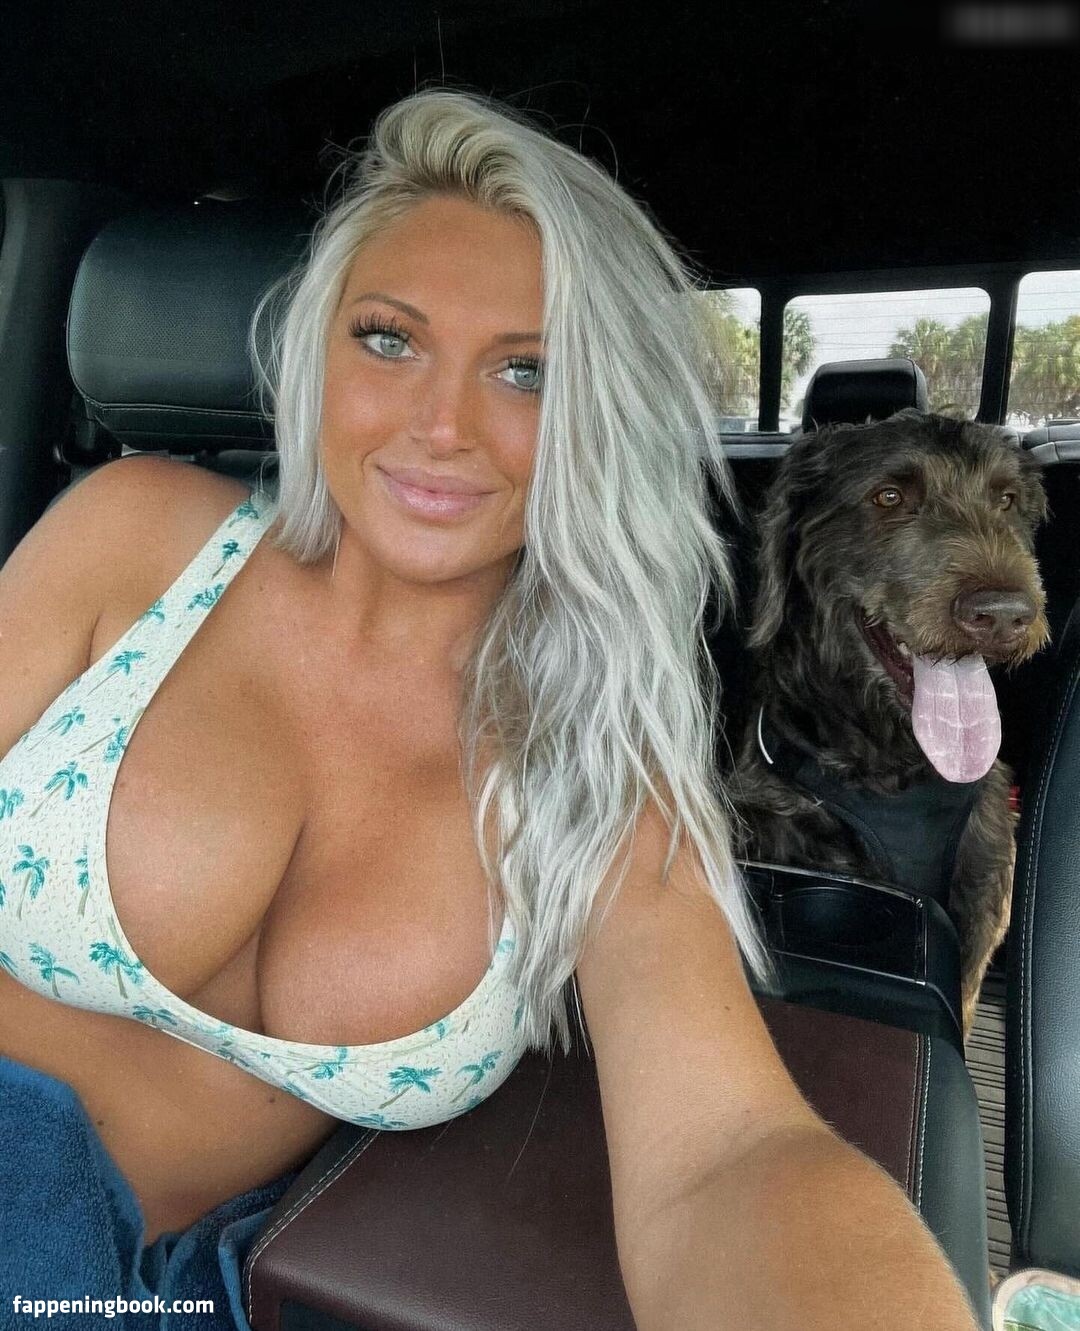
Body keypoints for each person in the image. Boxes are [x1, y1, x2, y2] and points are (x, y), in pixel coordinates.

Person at [0, 90, 979, 1330]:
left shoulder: (597, 760)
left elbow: (728, 1151)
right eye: (388, 339)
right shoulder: (137, 536)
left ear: (595, 413)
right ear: (316, 353)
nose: (442, 425)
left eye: (526, 370)